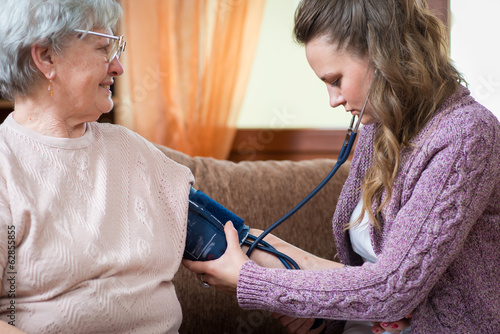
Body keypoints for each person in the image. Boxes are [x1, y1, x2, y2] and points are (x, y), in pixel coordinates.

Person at [183, 0, 500, 333]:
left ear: (383, 56)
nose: (333, 100)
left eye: (336, 80)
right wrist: (321, 310)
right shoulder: (377, 130)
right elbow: (366, 275)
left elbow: (392, 289)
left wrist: (254, 282)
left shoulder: (468, 134)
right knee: (255, 242)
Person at [0, 0, 194, 333]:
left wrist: (292, 287)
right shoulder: (6, 164)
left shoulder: (130, 149)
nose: (118, 67)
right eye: (104, 48)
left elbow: (229, 238)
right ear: (46, 56)